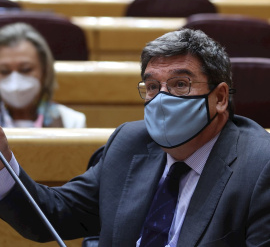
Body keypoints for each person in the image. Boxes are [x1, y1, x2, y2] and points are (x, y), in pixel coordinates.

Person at [0, 28, 270, 246]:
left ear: (220, 97)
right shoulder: (130, 143)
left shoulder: (260, 167)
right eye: (153, 87)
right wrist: (3, 163)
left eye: (180, 84)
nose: (163, 98)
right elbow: (53, 215)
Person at [0, 22, 86, 128]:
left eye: (25, 69)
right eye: (4, 71)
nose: (15, 81)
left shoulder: (72, 122)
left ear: (44, 71)